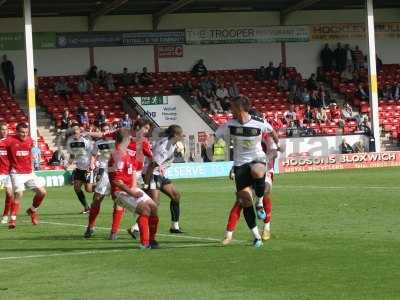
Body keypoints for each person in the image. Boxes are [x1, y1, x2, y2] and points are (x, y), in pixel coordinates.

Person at [215, 96, 278, 247]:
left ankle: (260, 203)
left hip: (258, 159)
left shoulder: (259, 122)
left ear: (239, 108)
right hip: (240, 164)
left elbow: (272, 131)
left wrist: (277, 142)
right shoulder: (229, 125)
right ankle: (257, 237)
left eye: (232, 107)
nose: (230, 110)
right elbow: (216, 136)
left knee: (258, 171)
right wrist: (218, 149)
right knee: (245, 201)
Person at [109, 131, 159, 249]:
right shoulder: (118, 156)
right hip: (120, 192)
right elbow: (117, 181)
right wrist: (132, 192)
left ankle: (151, 240)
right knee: (145, 210)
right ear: (126, 140)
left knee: (153, 207)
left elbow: (132, 171)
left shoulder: (125, 153)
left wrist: (135, 187)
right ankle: (145, 243)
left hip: (130, 188)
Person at [143, 125, 185, 234]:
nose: (183, 136)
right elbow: (152, 165)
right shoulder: (165, 147)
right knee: (154, 203)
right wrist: (146, 184)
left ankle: (174, 226)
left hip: (158, 174)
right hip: (152, 174)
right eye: (181, 134)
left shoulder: (170, 143)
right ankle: (136, 228)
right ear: (175, 135)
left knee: (176, 195)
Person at [6, 123, 47, 229]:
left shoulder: (29, 140)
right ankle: (13, 220)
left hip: (29, 172)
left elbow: (33, 151)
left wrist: (35, 160)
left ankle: (32, 210)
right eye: (22, 132)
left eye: (26, 132)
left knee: (42, 192)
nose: (24, 134)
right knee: (19, 193)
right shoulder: (9, 140)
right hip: (16, 172)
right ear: (16, 132)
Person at [84, 123, 115, 238]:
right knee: (97, 199)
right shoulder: (98, 143)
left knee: (119, 201)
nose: (105, 132)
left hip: (117, 172)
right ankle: (90, 227)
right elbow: (93, 155)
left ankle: (114, 231)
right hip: (104, 173)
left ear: (111, 129)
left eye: (107, 129)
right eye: (103, 130)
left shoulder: (116, 140)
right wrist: (92, 163)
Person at [65, 124, 95, 214]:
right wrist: (68, 164)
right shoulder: (71, 143)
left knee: (88, 189)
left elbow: (94, 153)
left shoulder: (86, 142)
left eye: (76, 131)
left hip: (88, 168)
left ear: (79, 131)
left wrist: (92, 163)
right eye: (73, 132)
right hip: (79, 168)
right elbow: (72, 155)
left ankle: (103, 189)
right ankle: (86, 207)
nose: (75, 133)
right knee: (76, 187)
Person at [0, 123, 14, 225]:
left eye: (6, 129)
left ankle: (5, 216)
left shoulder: (11, 142)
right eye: (2, 129)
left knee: (9, 194)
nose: (4, 131)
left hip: (8, 173)